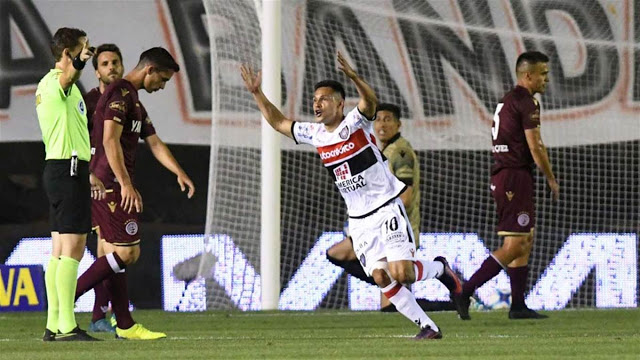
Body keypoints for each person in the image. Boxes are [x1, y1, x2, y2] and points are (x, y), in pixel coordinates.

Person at [240, 53, 460, 340]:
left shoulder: (356, 123)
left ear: (340, 103)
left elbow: (370, 103)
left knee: (402, 273)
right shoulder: (315, 133)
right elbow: (279, 122)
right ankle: (428, 327)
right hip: (359, 221)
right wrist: (257, 93)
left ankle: (442, 270)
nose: (317, 103)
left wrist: (355, 78)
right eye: (315, 99)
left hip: (386, 209)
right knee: (380, 276)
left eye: (324, 98)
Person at [73, 47, 194, 340]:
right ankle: (67, 298)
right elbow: (110, 141)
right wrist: (125, 183)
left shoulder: (134, 101)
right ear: (149, 70)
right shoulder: (119, 96)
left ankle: (123, 324)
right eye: (162, 79)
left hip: (113, 181)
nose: (162, 86)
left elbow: (154, 143)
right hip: (108, 183)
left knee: (123, 252)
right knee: (125, 252)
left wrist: (179, 171)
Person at [453, 51, 559, 320]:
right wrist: (550, 177)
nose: (546, 78)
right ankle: (465, 290)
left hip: (510, 175)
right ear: (528, 75)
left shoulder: (509, 100)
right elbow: (536, 146)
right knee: (514, 245)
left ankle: (518, 305)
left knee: (525, 240)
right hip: (513, 176)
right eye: (543, 73)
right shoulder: (527, 102)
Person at [326, 104, 459, 312]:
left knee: (391, 304)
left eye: (388, 119)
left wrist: (374, 218)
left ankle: (446, 298)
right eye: (378, 119)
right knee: (337, 254)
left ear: (398, 124)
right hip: (379, 226)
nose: (382, 124)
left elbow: (405, 197)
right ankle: (443, 298)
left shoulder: (400, 151)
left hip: (394, 228)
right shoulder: (383, 151)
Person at [36, 27, 104, 341]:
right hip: (67, 171)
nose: (87, 54)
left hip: (62, 168)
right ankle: (66, 325)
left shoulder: (55, 86)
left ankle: (53, 324)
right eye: (83, 49)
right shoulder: (57, 83)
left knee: (59, 251)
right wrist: (77, 64)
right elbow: (68, 77)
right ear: (68, 54)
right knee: (73, 250)